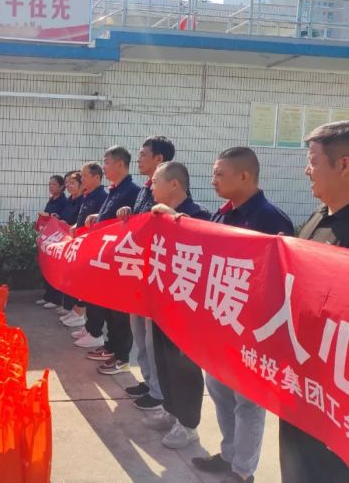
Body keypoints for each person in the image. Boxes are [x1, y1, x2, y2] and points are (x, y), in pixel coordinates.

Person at [192, 147, 293, 483]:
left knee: (247, 401)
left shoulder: (271, 220)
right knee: (219, 390)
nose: (213, 180)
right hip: (222, 322)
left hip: (253, 330)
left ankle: (243, 471)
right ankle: (229, 453)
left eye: (220, 174)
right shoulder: (223, 215)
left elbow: (281, 283)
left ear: (245, 176)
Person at [279, 122, 349, 483]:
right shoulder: (319, 217)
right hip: (303, 383)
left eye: (313, 161)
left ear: (344, 165)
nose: (307, 170)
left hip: (337, 398)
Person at [140, 162, 211, 449]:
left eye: (155, 181)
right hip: (162, 302)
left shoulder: (199, 215)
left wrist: (174, 218)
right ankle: (171, 411)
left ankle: (188, 425)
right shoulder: (156, 216)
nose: (150, 187)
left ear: (174, 184)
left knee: (184, 368)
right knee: (164, 361)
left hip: (186, 307)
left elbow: (203, 249)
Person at [117, 136, 176, 411]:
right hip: (139, 274)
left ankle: (158, 390)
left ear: (159, 159)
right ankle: (148, 380)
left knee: (153, 341)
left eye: (143, 155)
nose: (138, 160)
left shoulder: (170, 195)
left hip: (156, 277)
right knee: (139, 334)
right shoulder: (145, 190)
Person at [71, 147, 139, 378]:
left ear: (120, 164)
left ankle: (122, 357)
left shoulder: (132, 191)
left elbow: (134, 221)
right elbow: (110, 217)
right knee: (110, 310)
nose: (104, 166)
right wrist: (96, 218)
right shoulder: (114, 190)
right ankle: (111, 347)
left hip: (121, 262)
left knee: (120, 315)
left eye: (107, 162)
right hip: (106, 261)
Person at [59, 162, 108, 328]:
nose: (82, 179)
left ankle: (85, 321)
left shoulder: (102, 196)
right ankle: (79, 315)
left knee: (89, 287)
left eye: (85, 176)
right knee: (79, 282)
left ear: (97, 177)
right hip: (82, 245)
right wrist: (76, 226)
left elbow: (104, 222)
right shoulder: (89, 195)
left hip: (93, 248)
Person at [36, 175, 68, 309]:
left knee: (56, 269)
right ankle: (48, 296)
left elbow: (61, 219)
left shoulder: (64, 201)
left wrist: (50, 216)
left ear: (61, 187)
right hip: (48, 238)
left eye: (54, 184)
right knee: (47, 268)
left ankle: (56, 299)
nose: (51, 187)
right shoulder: (51, 200)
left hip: (57, 239)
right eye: (49, 184)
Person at [54, 171, 83, 317]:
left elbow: (79, 222)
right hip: (66, 242)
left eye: (72, 183)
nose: (68, 186)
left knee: (73, 278)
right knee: (66, 277)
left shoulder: (83, 201)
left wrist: (68, 224)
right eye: (67, 183)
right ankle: (67, 306)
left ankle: (74, 310)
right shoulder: (69, 201)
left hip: (76, 243)